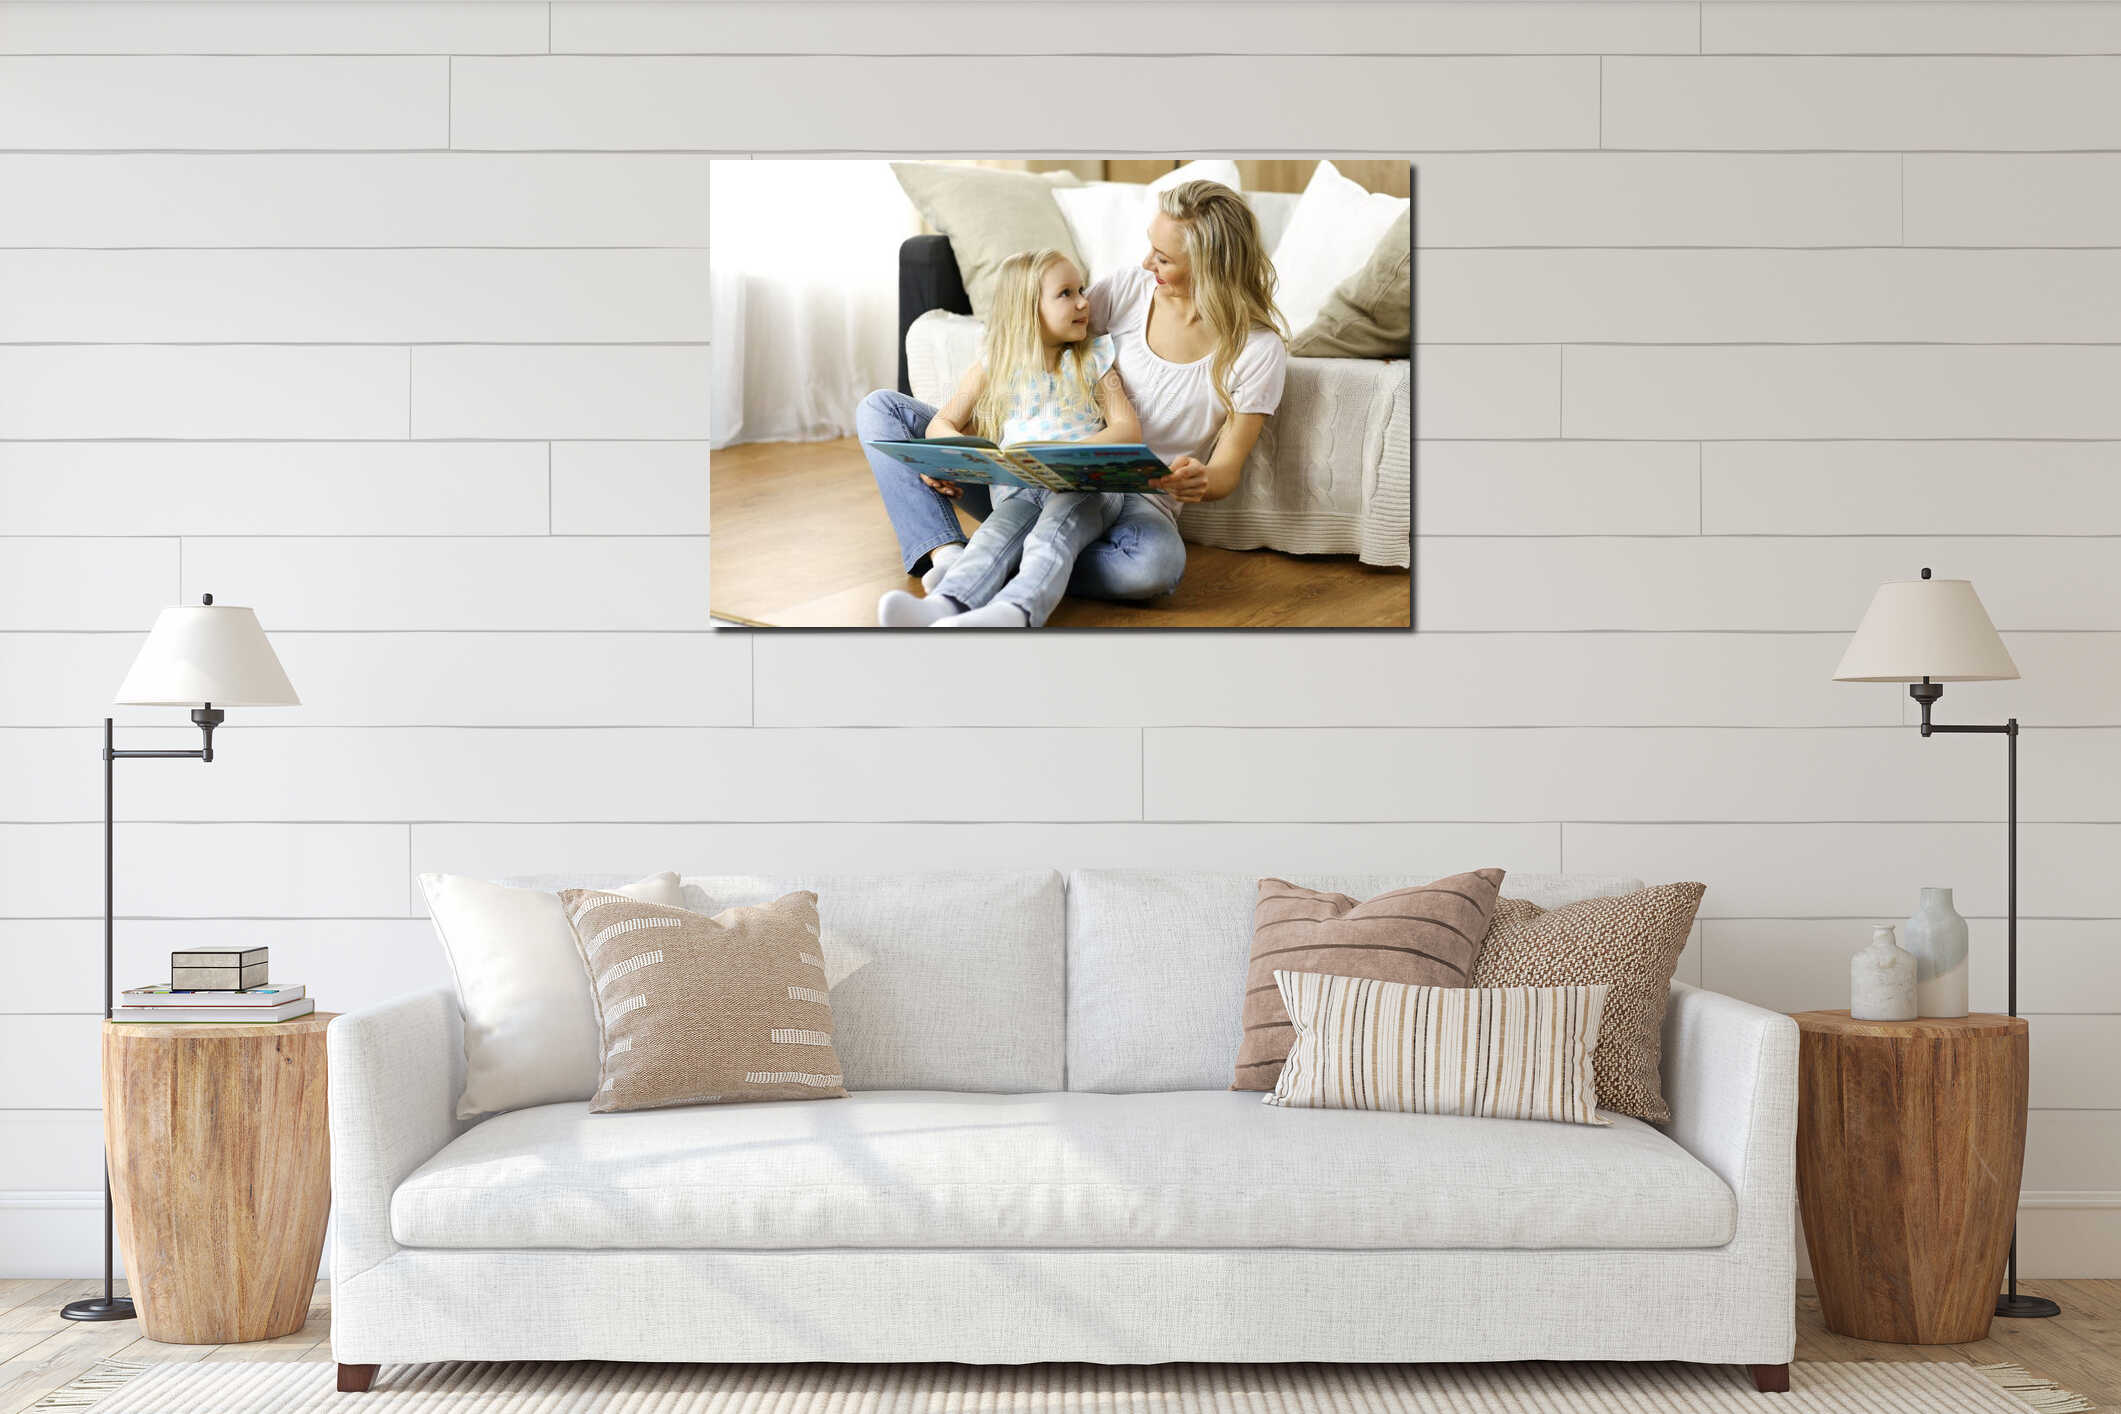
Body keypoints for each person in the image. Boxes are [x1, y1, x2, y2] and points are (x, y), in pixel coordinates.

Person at [855, 179, 1288, 614]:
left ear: (1210, 264)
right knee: (882, 411)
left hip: (1130, 494)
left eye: (1163, 257)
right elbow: (1039, 348)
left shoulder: (1256, 350)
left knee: (1154, 567)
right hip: (1024, 476)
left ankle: (988, 564)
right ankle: (948, 556)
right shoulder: (1127, 290)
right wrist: (952, 450)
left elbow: (1226, 470)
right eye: (1149, 247)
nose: (1145, 262)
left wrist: (1198, 480)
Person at [875, 249, 1146, 628]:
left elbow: (1127, 428)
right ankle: (945, 605)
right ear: (1026, 309)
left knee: (1051, 535)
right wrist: (958, 457)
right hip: (1017, 486)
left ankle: (1015, 611)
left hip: (1084, 486)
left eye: (1081, 289)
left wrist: (1068, 454)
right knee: (993, 538)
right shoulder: (996, 362)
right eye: (1066, 293)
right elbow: (943, 422)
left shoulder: (1093, 357)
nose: (1084, 301)